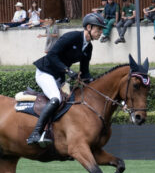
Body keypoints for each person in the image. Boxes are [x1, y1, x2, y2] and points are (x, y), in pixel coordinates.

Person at [25, 13, 103, 147]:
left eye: (101, 30)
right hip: (45, 72)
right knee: (56, 99)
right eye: (99, 29)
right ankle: (36, 133)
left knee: (71, 100)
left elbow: (85, 72)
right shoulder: (72, 36)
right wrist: (68, 70)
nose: (101, 32)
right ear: (89, 27)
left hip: (58, 77)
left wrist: (96, 84)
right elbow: (52, 55)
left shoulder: (88, 47)